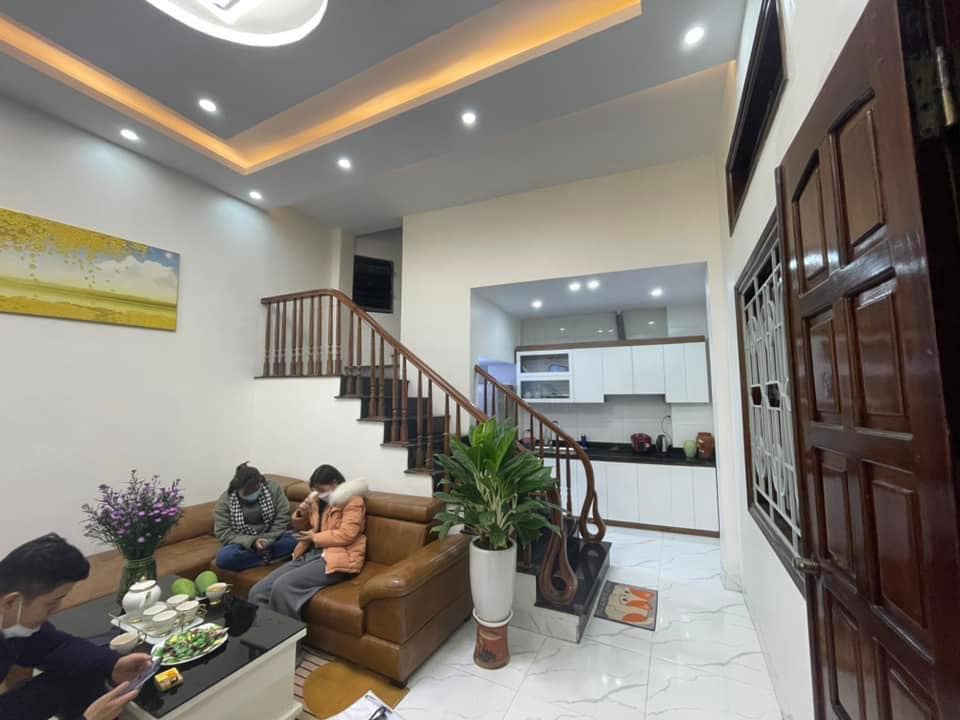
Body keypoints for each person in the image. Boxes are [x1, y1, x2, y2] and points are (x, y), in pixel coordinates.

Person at [0, 534, 154, 720]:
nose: (56, 610)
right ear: (11, 602)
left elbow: (56, 646)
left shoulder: (18, 625)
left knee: (85, 670)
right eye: (51, 604)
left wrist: (113, 664)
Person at [248, 466, 367, 618]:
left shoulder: (353, 501)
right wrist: (301, 513)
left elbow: (347, 534)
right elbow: (301, 527)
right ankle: (265, 630)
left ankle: (287, 631)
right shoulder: (317, 500)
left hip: (337, 558)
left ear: (334, 482)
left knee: (283, 586)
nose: (320, 494)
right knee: (259, 590)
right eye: (316, 490)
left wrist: (314, 537)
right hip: (311, 553)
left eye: (322, 489)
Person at [213, 462, 295, 572]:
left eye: (256, 488)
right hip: (243, 543)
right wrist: (252, 542)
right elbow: (223, 532)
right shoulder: (225, 501)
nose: (253, 492)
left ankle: (258, 558)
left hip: (273, 537)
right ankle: (269, 557)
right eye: (248, 491)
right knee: (224, 558)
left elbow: (283, 517)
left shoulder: (273, 489)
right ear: (237, 489)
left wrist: (268, 539)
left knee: (295, 541)